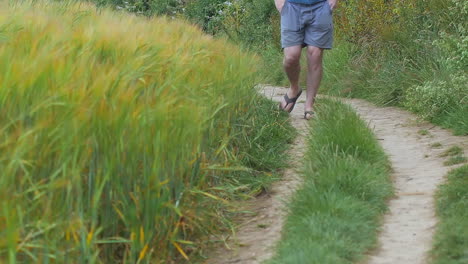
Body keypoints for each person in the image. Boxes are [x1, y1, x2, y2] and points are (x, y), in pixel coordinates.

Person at [275, 0, 337, 120]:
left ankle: (309, 105)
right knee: (291, 57)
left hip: (321, 6)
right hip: (291, 6)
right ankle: (294, 88)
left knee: (315, 54)